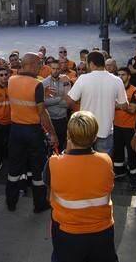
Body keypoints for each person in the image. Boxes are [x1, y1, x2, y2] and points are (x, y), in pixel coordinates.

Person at [44, 111, 118, 262]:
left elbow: (49, 194)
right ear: (95, 137)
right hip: (102, 233)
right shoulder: (106, 161)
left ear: (69, 136)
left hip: (67, 234)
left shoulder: (53, 163)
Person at [6, 52, 59, 212]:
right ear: (30, 65)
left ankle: (11, 201)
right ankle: (39, 204)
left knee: (14, 168)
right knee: (38, 169)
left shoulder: (11, 80)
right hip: (32, 131)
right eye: (39, 64)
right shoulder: (36, 85)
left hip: (15, 130)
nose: (41, 67)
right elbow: (42, 113)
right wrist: (53, 134)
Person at [67, 51, 128, 154]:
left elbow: (70, 101)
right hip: (106, 130)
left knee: (85, 162)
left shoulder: (83, 79)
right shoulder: (117, 80)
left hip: (85, 130)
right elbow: (124, 105)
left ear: (91, 63)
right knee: (103, 164)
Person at [113, 67, 136, 190]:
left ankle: (133, 176)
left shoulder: (135, 92)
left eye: (123, 75)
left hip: (129, 127)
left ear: (129, 76)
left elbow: (132, 110)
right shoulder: (114, 90)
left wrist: (117, 105)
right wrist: (123, 105)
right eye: (118, 75)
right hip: (116, 125)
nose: (120, 77)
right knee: (117, 151)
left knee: (131, 152)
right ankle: (119, 172)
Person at [42, 59, 72, 151]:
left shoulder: (65, 81)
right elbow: (43, 103)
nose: (55, 71)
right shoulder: (44, 83)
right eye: (53, 68)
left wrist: (52, 100)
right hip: (50, 120)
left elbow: (68, 103)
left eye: (57, 68)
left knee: (61, 145)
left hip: (62, 120)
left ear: (60, 69)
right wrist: (60, 98)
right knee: (50, 147)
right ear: (50, 69)